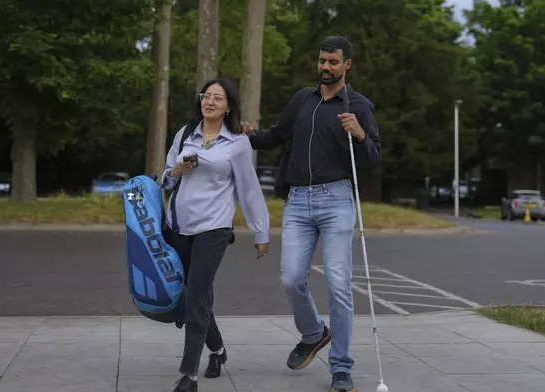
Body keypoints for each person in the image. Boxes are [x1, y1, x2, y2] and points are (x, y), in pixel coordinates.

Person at [243, 36, 381, 392]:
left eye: (333, 62)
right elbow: (277, 134)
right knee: (290, 278)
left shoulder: (359, 106)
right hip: (298, 201)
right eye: (322, 60)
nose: (325, 67)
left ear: (347, 64)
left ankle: (341, 368)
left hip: (337, 200)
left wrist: (361, 135)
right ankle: (314, 333)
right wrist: (246, 138)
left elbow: (373, 161)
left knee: (338, 284)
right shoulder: (303, 99)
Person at [161, 77, 270, 392]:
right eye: (206, 96)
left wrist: (261, 232)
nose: (209, 102)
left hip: (215, 227)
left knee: (197, 293)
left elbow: (249, 190)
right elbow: (166, 181)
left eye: (217, 98)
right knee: (192, 296)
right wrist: (174, 173)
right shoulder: (185, 135)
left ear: (228, 107)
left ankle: (188, 376)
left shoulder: (237, 143)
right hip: (179, 225)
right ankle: (218, 350)